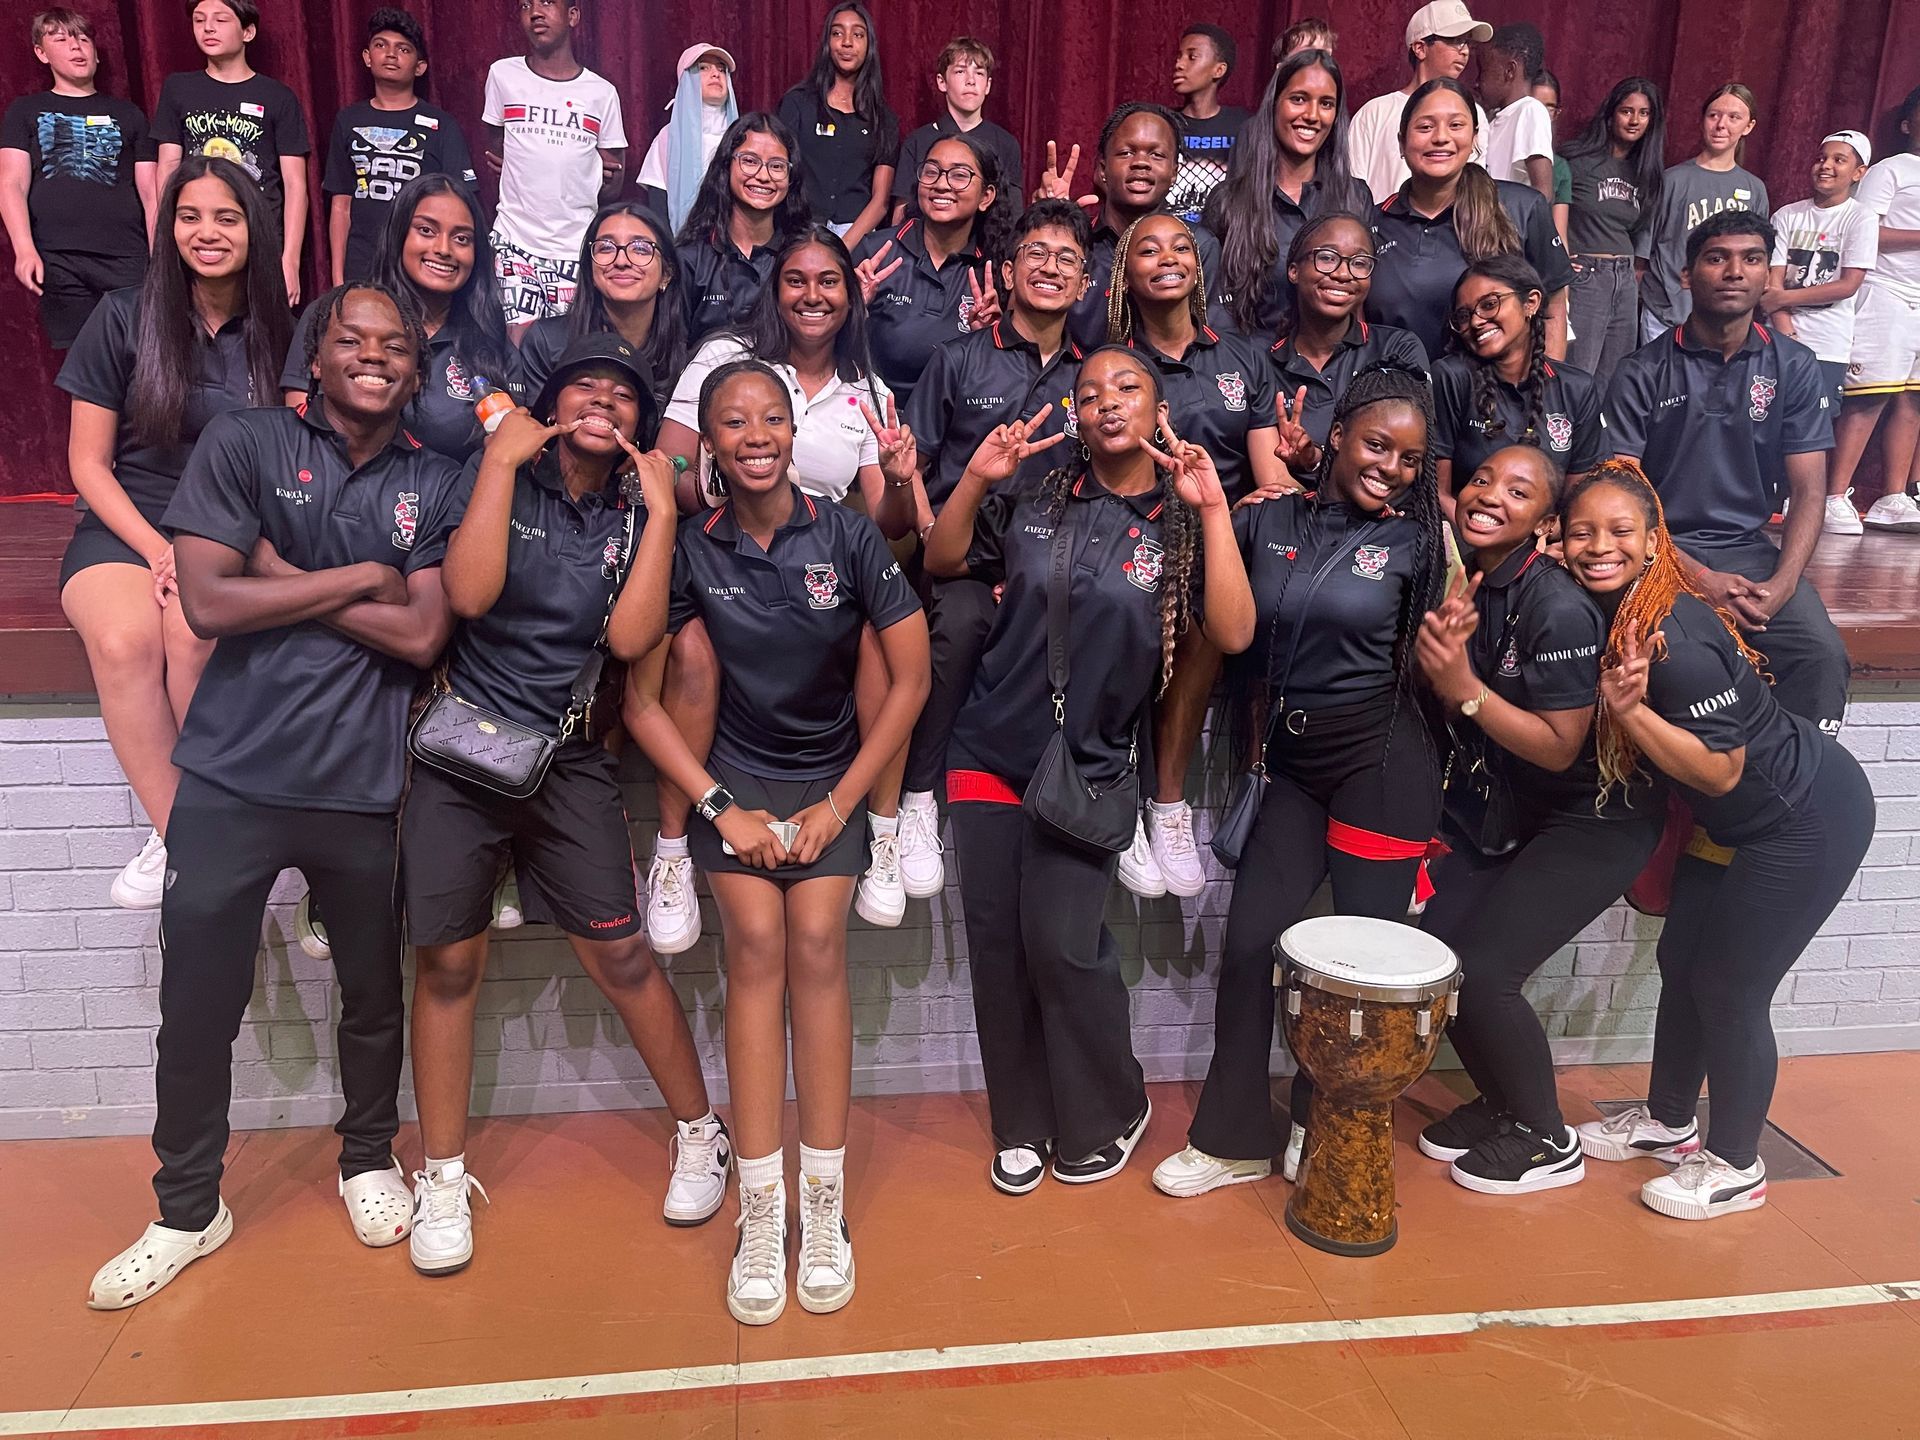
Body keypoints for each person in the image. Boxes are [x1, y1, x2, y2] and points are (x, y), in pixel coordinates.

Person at [84, 281, 464, 1310]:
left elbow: (423, 634)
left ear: (416, 370)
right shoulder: (246, 443)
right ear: (317, 354)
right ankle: (186, 1209)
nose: (373, 355)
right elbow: (210, 602)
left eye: (394, 345)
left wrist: (279, 572)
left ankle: (367, 1159)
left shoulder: (435, 483)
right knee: (196, 1007)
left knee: (373, 997)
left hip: (361, 786)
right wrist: (360, 578)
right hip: (229, 778)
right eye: (353, 339)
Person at [402, 336, 727, 1276]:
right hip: (464, 751)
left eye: (623, 396)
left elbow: (631, 642)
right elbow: (469, 594)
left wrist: (660, 515)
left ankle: (700, 1132)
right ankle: (443, 1176)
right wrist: (501, 465)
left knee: (622, 953)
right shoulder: (495, 477)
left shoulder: (633, 514)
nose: (603, 401)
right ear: (548, 409)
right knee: (449, 964)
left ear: (640, 427)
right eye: (584, 386)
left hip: (571, 758)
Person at [620, 357, 929, 1324]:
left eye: (771, 419)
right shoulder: (694, 544)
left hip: (831, 778)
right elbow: (640, 698)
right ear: (707, 441)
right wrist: (720, 809)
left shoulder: (845, 531)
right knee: (756, 944)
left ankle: (822, 1205)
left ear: (794, 430)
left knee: (818, 942)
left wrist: (842, 807)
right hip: (736, 782)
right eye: (733, 422)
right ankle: (761, 1211)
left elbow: (912, 679)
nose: (755, 437)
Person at [928, 344, 1254, 1195]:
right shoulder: (1038, 495)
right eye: (1090, 391)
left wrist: (1215, 510)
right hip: (991, 747)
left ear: (1159, 410)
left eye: (1128, 387)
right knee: (998, 945)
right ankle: (1020, 1122)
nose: (1107, 401)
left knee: (1063, 945)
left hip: (1091, 765)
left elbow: (1233, 631)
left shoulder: (1181, 520)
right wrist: (976, 479)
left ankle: (1110, 1105)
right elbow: (943, 560)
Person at [1151, 361, 1443, 1198]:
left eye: (1410, 459)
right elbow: (1233, 634)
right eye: (1377, 446)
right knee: (1249, 950)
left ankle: (1326, 1124)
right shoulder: (1267, 516)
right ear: (1337, 437)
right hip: (1289, 764)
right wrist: (1215, 510)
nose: (1391, 468)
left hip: (1380, 769)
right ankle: (1233, 1136)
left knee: (1359, 969)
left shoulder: (1418, 542)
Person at [1562, 462, 1874, 1221]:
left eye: (1619, 531)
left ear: (1654, 542)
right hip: (1733, 821)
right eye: (1581, 532)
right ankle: (1670, 1120)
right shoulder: (1626, 608)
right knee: (1683, 964)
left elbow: (1722, 768)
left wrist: (1632, 715)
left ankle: (1737, 1165)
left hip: (1804, 816)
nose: (1599, 546)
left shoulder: (1675, 634)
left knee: (1732, 988)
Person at [645, 227, 905, 950]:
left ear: (852, 296)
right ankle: (671, 850)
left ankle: (884, 825)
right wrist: (726, 496)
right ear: (774, 288)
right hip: (723, 552)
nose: (812, 296)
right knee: (689, 649)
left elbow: (888, 519)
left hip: (825, 555)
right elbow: (673, 468)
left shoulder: (868, 391)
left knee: (879, 634)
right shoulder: (726, 357)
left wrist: (900, 483)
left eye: (829, 281)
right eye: (796, 279)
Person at [1414, 447, 1662, 1195]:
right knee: (1440, 961)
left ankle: (1548, 1137)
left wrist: (1462, 688)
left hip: (1597, 818)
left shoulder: (1554, 604)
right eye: (1482, 479)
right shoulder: (1474, 578)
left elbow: (1558, 748)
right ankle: (1503, 1104)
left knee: (1485, 972)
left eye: (1519, 491)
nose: (1491, 495)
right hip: (1521, 811)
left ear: (1544, 522)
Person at [55, 154, 289, 914]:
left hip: (228, 532)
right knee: (125, 642)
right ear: (168, 228)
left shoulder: (284, 330)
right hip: (129, 527)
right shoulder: (123, 315)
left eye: (226, 217)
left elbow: (290, 461)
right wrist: (162, 550)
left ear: (254, 229)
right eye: (189, 217)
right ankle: (180, 837)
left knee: (194, 631)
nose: (206, 233)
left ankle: (220, 815)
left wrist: (214, 551)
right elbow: (87, 464)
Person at [890, 199, 1091, 901]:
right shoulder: (958, 358)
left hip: (1057, 564)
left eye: (1067, 259)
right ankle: (919, 797)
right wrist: (930, 536)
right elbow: (914, 465)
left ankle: (1112, 795)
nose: (1050, 268)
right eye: (1036, 254)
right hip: (962, 556)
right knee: (962, 621)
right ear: (1006, 272)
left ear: (1085, 284)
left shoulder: (1093, 376)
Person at [1604, 209, 1846, 735]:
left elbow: (1809, 492)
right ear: (1687, 275)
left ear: (1767, 274)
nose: (1735, 271)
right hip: (1659, 554)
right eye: (1717, 259)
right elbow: (1622, 504)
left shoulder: (1794, 365)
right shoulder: (1641, 371)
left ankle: (1801, 778)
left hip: (1750, 553)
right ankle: (1705, 786)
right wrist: (1701, 579)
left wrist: (1782, 585)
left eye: (1752, 259)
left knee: (1820, 655)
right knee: (1683, 663)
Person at [1108, 212, 1283, 896]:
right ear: (1124, 274)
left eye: (1180, 246)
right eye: (1148, 250)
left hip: (1222, 533)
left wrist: (1258, 497)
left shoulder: (1243, 357)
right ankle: (1127, 796)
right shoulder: (1115, 366)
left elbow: (1270, 478)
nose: (1167, 258)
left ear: (1198, 267)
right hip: (1136, 527)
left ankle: (1170, 805)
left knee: (1218, 579)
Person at [283, 174, 515, 464]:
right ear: (399, 234)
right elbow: (295, 442)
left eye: (461, 238)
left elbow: (508, 451)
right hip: (332, 487)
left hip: (455, 493)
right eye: (426, 230)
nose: (444, 249)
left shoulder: (491, 340)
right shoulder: (336, 314)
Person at [1365, 78, 1570, 360]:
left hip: (1493, 387)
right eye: (1425, 127)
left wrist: (1549, 382)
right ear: (1402, 142)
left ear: (1474, 138)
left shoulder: (1521, 207)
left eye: (1455, 125)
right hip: (1397, 385)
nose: (1441, 137)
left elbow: (1554, 306)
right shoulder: (1373, 223)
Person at [1, 8, 153, 348]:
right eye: (61, 39)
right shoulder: (24, 111)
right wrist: (24, 249)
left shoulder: (129, 114)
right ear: (41, 53)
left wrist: (160, 258)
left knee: (140, 357)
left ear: (96, 53)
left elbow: (151, 192)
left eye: (84, 39)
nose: (76, 47)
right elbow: (10, 183)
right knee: (82, 362)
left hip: (126, 256)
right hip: (59, 258)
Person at [1203, 46, 1372, 339]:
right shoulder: (1228, 201)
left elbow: (1360, 308)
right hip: (1248, 361)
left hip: (1333, 362)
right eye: (1298, 99)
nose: (1312, 115)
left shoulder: (1355, 197)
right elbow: (1212, 309)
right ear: (1274, 104)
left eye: (1326, 104)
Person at [480, 0, 626, 332]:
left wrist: (586, 171)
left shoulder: (602, 93)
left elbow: (614, 181)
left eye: (547, 2)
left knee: (568, 347)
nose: (535, 12)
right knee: (517, 344)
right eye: (525, 5)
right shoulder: (503, 74)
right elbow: (496, 146)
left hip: (575, 246)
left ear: (573, 16)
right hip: (514, 240)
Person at [150, 0, 307, 303]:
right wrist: (167, 235)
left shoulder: (277, 96)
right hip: (198, 234)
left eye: (220, 20)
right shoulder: (178, 88)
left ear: (247, 31)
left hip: (259, 237)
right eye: (199, 20)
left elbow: (295, 184)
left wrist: (290, 259)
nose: (208, 28)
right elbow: (167, 166)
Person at [1039, 102, 1225, 353]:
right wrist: (1047, 223)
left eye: (1156, 155)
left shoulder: (1199, 246)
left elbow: (1213, 343)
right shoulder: (1074, 244)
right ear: (1102, 169)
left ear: (1174, 173)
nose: (1141, 163)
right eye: (1126, 153)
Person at [1764, 131, 1875, 537]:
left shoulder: (1860, 218)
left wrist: (1783, 298)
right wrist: (1786, 331)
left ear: (1858, 172)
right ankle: (1765, 498)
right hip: (1782, 337)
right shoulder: (1787, 215)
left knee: (1813, 424)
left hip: (1828, 342)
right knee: (1768, 416)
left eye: (1839, 160)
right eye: (1822, 157)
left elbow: (1847, 284)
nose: (1826, 165)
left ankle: (1801, 501)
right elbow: (1771, 282)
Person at [1431, 255, 1605, 507]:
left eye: (1489, 304)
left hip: (1549, 530)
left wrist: (1550, 528)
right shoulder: (1451, 376)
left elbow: (1579, 501)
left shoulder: (1576, 388)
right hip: (1469, 526)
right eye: (1464, 315)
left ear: (1531, 303)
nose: (1476, 321)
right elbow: (1438, 494)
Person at [319, 8, 476, 288]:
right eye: (381, 45)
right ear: (367, 57)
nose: (391, 54)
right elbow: (341, 205)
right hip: (361, 266)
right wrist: (338, 277)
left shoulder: (442, 125)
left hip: (420, 268)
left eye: (403, 49)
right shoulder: (348, 120)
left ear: (420, 66)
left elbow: (461, 203)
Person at [1265, 212, 1430, 469]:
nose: (1343, 274)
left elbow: (1404, 456)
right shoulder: (1264, 362)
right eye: (1327, 258)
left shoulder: (1396, 349)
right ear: (1294, 271)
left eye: (1360, 263)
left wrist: (1315, 460)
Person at [855, 133, 1009, 405]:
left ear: (986, 196)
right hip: (871, 411)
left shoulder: (993, 270)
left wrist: (986, 339)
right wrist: (853, 307)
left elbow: (999, 377)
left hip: (953, 418)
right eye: (931, 172)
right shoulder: (876, 253)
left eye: (959, 175)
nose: (941, 184)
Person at [1830, 87, 1920, 535]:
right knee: (1870, 394)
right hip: (1887, 290)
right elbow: (1864, 230)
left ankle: (1893, 496)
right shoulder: (1891, 169)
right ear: (1906, 123)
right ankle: (1831, 496)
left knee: (1912, 397)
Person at [518, 201, 688, 414]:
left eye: (640, 249)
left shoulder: (685, 356)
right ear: (590, 269)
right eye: (606, 247)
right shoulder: (547, 341)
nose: (622, 261)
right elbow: (535, 427)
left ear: (666, 274)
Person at [1637, 83, 1769, 342]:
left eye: (1734, 117)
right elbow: (1641, 260)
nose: (1721, 125)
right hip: (1667, 318)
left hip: (1727, 323)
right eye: (1714, 115)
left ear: (1749, 126)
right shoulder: (1671, 181)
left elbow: (1758, 260)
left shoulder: (1754, 189)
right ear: (1702, 120)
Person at [1560, 77, 1666, 384]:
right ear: (1610, 114)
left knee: (1613, 380)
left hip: (1625, 279)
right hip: (1587, 276)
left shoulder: (1644, 171)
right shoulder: (1576, 161)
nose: (1634, 120)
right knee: (1577, 376)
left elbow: (1637, 230)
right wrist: (1559, 259)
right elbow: (1549, 214)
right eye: (1626, 111)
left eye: (1644, 113)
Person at [674, 111, 813, 344]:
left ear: (791, 178)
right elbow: (673, 348)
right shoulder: (690, 259)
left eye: (777, 166)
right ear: (726, 166)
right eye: (750, 161)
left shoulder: (802, 254)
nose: (763, 176)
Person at [778, 2, 898, 249]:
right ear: (827, 42)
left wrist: (842, 249)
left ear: (869, 45)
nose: (847, 42)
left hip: (856, 236)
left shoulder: (884, 119)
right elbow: (779, 173)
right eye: (837, 33)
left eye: (858, 34)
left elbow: (881, 201)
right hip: (800, 231)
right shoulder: (798, 103)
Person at [1346, 0, 1490, 205]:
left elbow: (1474, 188)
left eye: (1467, 42)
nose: (1464, 51)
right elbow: (1353, 189)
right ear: (1420, 48)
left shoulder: (1473, 113)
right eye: (1454, 40)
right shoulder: (1374, 113)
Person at [888, 36, 1022, 225]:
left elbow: (1014, 216)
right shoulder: (917, 141)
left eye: (979, 73)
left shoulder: (1006, 144)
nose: (971, 81)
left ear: (988, 85)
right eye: (960, 71)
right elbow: (901, 217)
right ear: (942, 82)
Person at [636, 43, 737, 233]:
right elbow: (658, 204)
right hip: (683, 242)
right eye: (703, 68)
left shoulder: (743, 138)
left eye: (721, 69)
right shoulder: (668, 138)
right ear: (686, 80)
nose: (715, 74)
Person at [1168, 24, 1250, 225]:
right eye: (1179, 56)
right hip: (1170, 234)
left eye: (1192, 57)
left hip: (1224, 235)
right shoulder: (1163, 124)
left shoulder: (1244, 125)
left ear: (1219, 69)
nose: (1179, 64)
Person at [1476, 23, 1553, 203]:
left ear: (1509, 71)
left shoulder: (1530, 111)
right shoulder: (1493, 118)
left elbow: (1543, 193)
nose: (1476, 82)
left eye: (1483, 72)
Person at [1530, 68, 1570, 248]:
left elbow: (1558, 233)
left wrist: (1563, 260)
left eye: (1549, 107)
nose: (1541, 113)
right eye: (1535, 105)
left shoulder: (1560, 166)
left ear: (1556, 113)